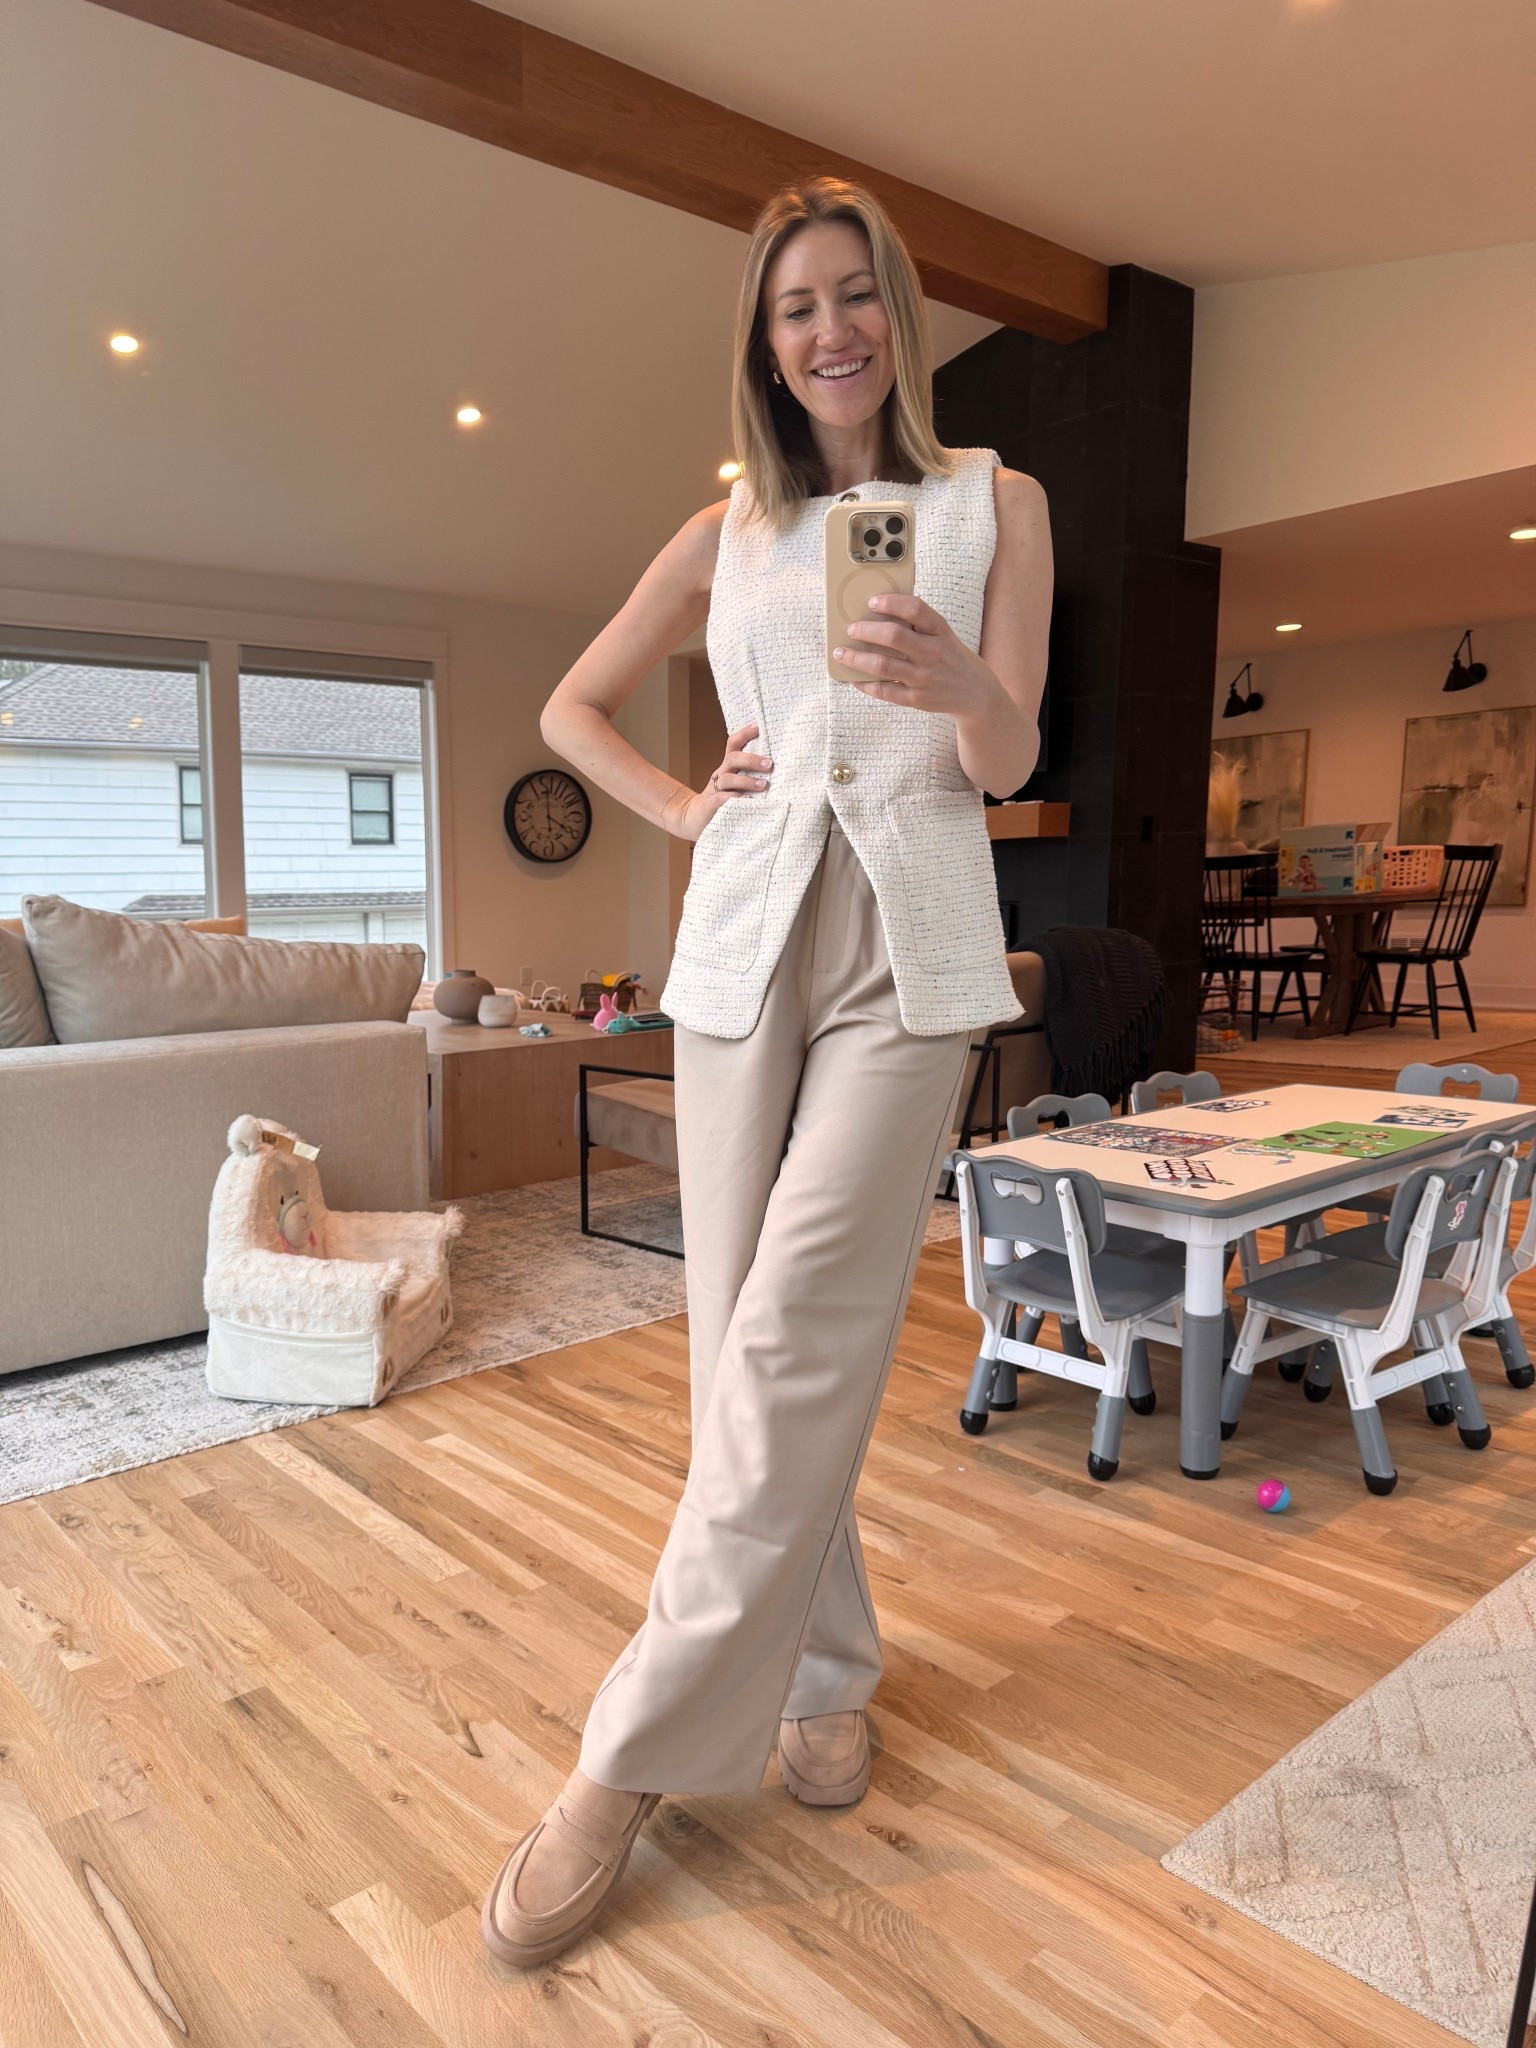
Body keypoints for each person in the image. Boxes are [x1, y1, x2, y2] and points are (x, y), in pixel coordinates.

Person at [482, 174, 1052, 1970]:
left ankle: (625, 1760)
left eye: (856, 294)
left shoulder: (993, 501)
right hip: (739, 949)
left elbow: (1014, 748)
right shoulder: (724, 527)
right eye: (797, 305)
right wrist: (673, 803)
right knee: (742, 1347)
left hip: (912, 944)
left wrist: (958, 671)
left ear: (899, 308)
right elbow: (574, 704)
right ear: (766, 335)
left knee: (803, 1323)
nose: (832, 331)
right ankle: (821, 1662)